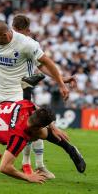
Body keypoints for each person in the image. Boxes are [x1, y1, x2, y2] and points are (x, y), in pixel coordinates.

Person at [0, 19, 69, 172]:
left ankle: (45, 159)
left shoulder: (26, 44)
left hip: (17, 92)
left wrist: (60, 83)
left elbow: (45, 63)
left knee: (31, 125)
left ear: (5, 35)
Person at [12, 14, 77, 176]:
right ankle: (21, 163)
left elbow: (41, 65)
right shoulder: (6, 40)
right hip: (6, 90)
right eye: (27, 31)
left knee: (34, 124)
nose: (27, 33)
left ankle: (33, 164)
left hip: (23, 89)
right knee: (29, 126)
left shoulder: (29, 44)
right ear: (25, 30)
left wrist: (60, 79)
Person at [0, 99, 86, 183]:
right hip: (2, 118)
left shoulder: (25, 106)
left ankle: (70, 150)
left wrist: (54, 127)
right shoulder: (18, 137)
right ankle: (67, 149)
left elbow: (38, 109)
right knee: (37, 134)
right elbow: (4, 168)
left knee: (37, 133)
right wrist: (27, 177)